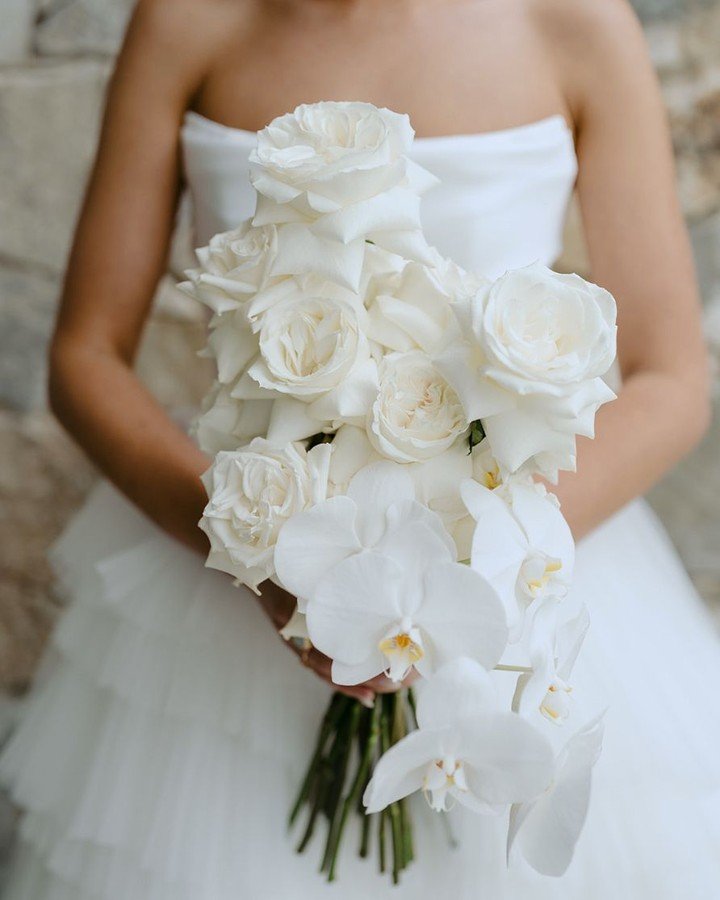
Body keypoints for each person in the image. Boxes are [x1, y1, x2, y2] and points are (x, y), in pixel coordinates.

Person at [2, 0, 718, 896]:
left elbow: (671, 378)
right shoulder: (187, 21)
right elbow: (84, 354)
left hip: (523, 570)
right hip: (237, 578)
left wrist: (477, 554)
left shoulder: (575, 23)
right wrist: (267, 558)